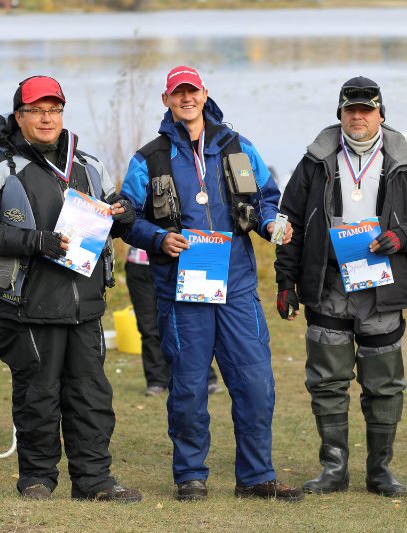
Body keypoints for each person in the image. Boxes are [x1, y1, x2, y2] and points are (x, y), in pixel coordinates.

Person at [121, 65, 302, 502]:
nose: (187, 99)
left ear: (205, 94)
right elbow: (127, 217)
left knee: (256, 382)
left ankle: (257, 476)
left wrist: (276, 225)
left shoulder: (239, 147)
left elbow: (267, 202)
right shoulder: (149, 157)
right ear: (166, 101)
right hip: (181, 289)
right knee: (187, 386)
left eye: (193, 91)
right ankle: (190, 476)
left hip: (237, 285)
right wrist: (159, 238)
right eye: (177, 93)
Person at [0, 75, 141, 502]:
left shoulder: (90, 166)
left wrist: (126, 214)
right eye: (37, 110)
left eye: (54, 109)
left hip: (85, 305)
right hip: (26, 305)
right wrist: (34, 241)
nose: (47, 118)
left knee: (91, 397)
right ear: (19, 116)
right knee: (37, 397)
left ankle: (94, 482)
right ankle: (37, 479)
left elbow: (119, 215)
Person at [274, 76, 407, 497]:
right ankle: (334, 469)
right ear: (340, 114)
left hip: (382, 286)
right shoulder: (314, 161)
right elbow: (290, 221)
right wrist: (285, 281)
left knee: (383, 383)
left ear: (381, 114)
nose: (358, 117)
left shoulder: (403, 161)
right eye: (351, 110)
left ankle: (380, 471)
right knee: (327, 380)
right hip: (327, 282)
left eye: (367, 110)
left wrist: (401, 237)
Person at [124, 246, 222, 397]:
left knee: (191, 323)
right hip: (139, 265)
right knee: (148, 326)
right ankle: (156, 381)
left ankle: (206, 377)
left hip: (181, 263)